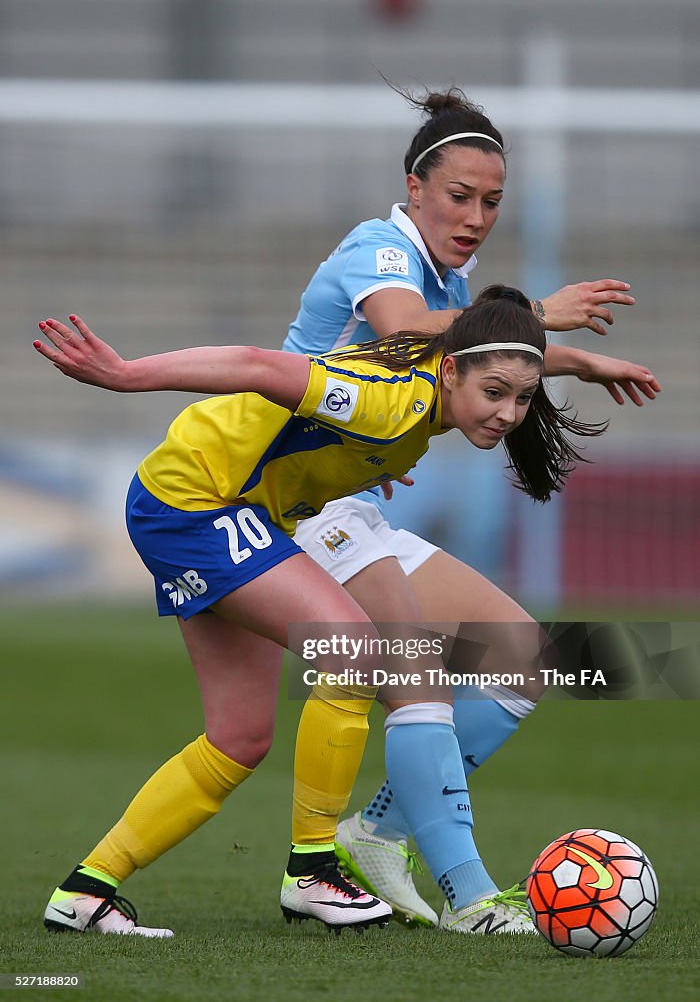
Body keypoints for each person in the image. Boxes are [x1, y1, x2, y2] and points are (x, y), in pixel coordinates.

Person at [34, 286, 603, 938]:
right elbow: (256, 366)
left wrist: (356, 464)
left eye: (524, 398)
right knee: (355, 648)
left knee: (239, 738)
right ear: (450, 371)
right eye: (495, 392)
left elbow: (333, 418)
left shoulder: (419, 402)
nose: (509, 413)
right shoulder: (392, 403)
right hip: (196, 504)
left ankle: (85, 891)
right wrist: (125, 375)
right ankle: (312, 871)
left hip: (222, 510)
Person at [282, 85, 661, 932]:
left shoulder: (445, 273)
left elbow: (440, 354)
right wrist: (533, 316)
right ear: (413, 187)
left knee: (523, 658)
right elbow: (410, 332)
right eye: (460, 195)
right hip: (287, 503)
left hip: (343, 503)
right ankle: (468, 896)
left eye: (493, 201)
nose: (477, 215)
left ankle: (371, 834)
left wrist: (569, 362)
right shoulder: (380, 249)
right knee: (414, 678)